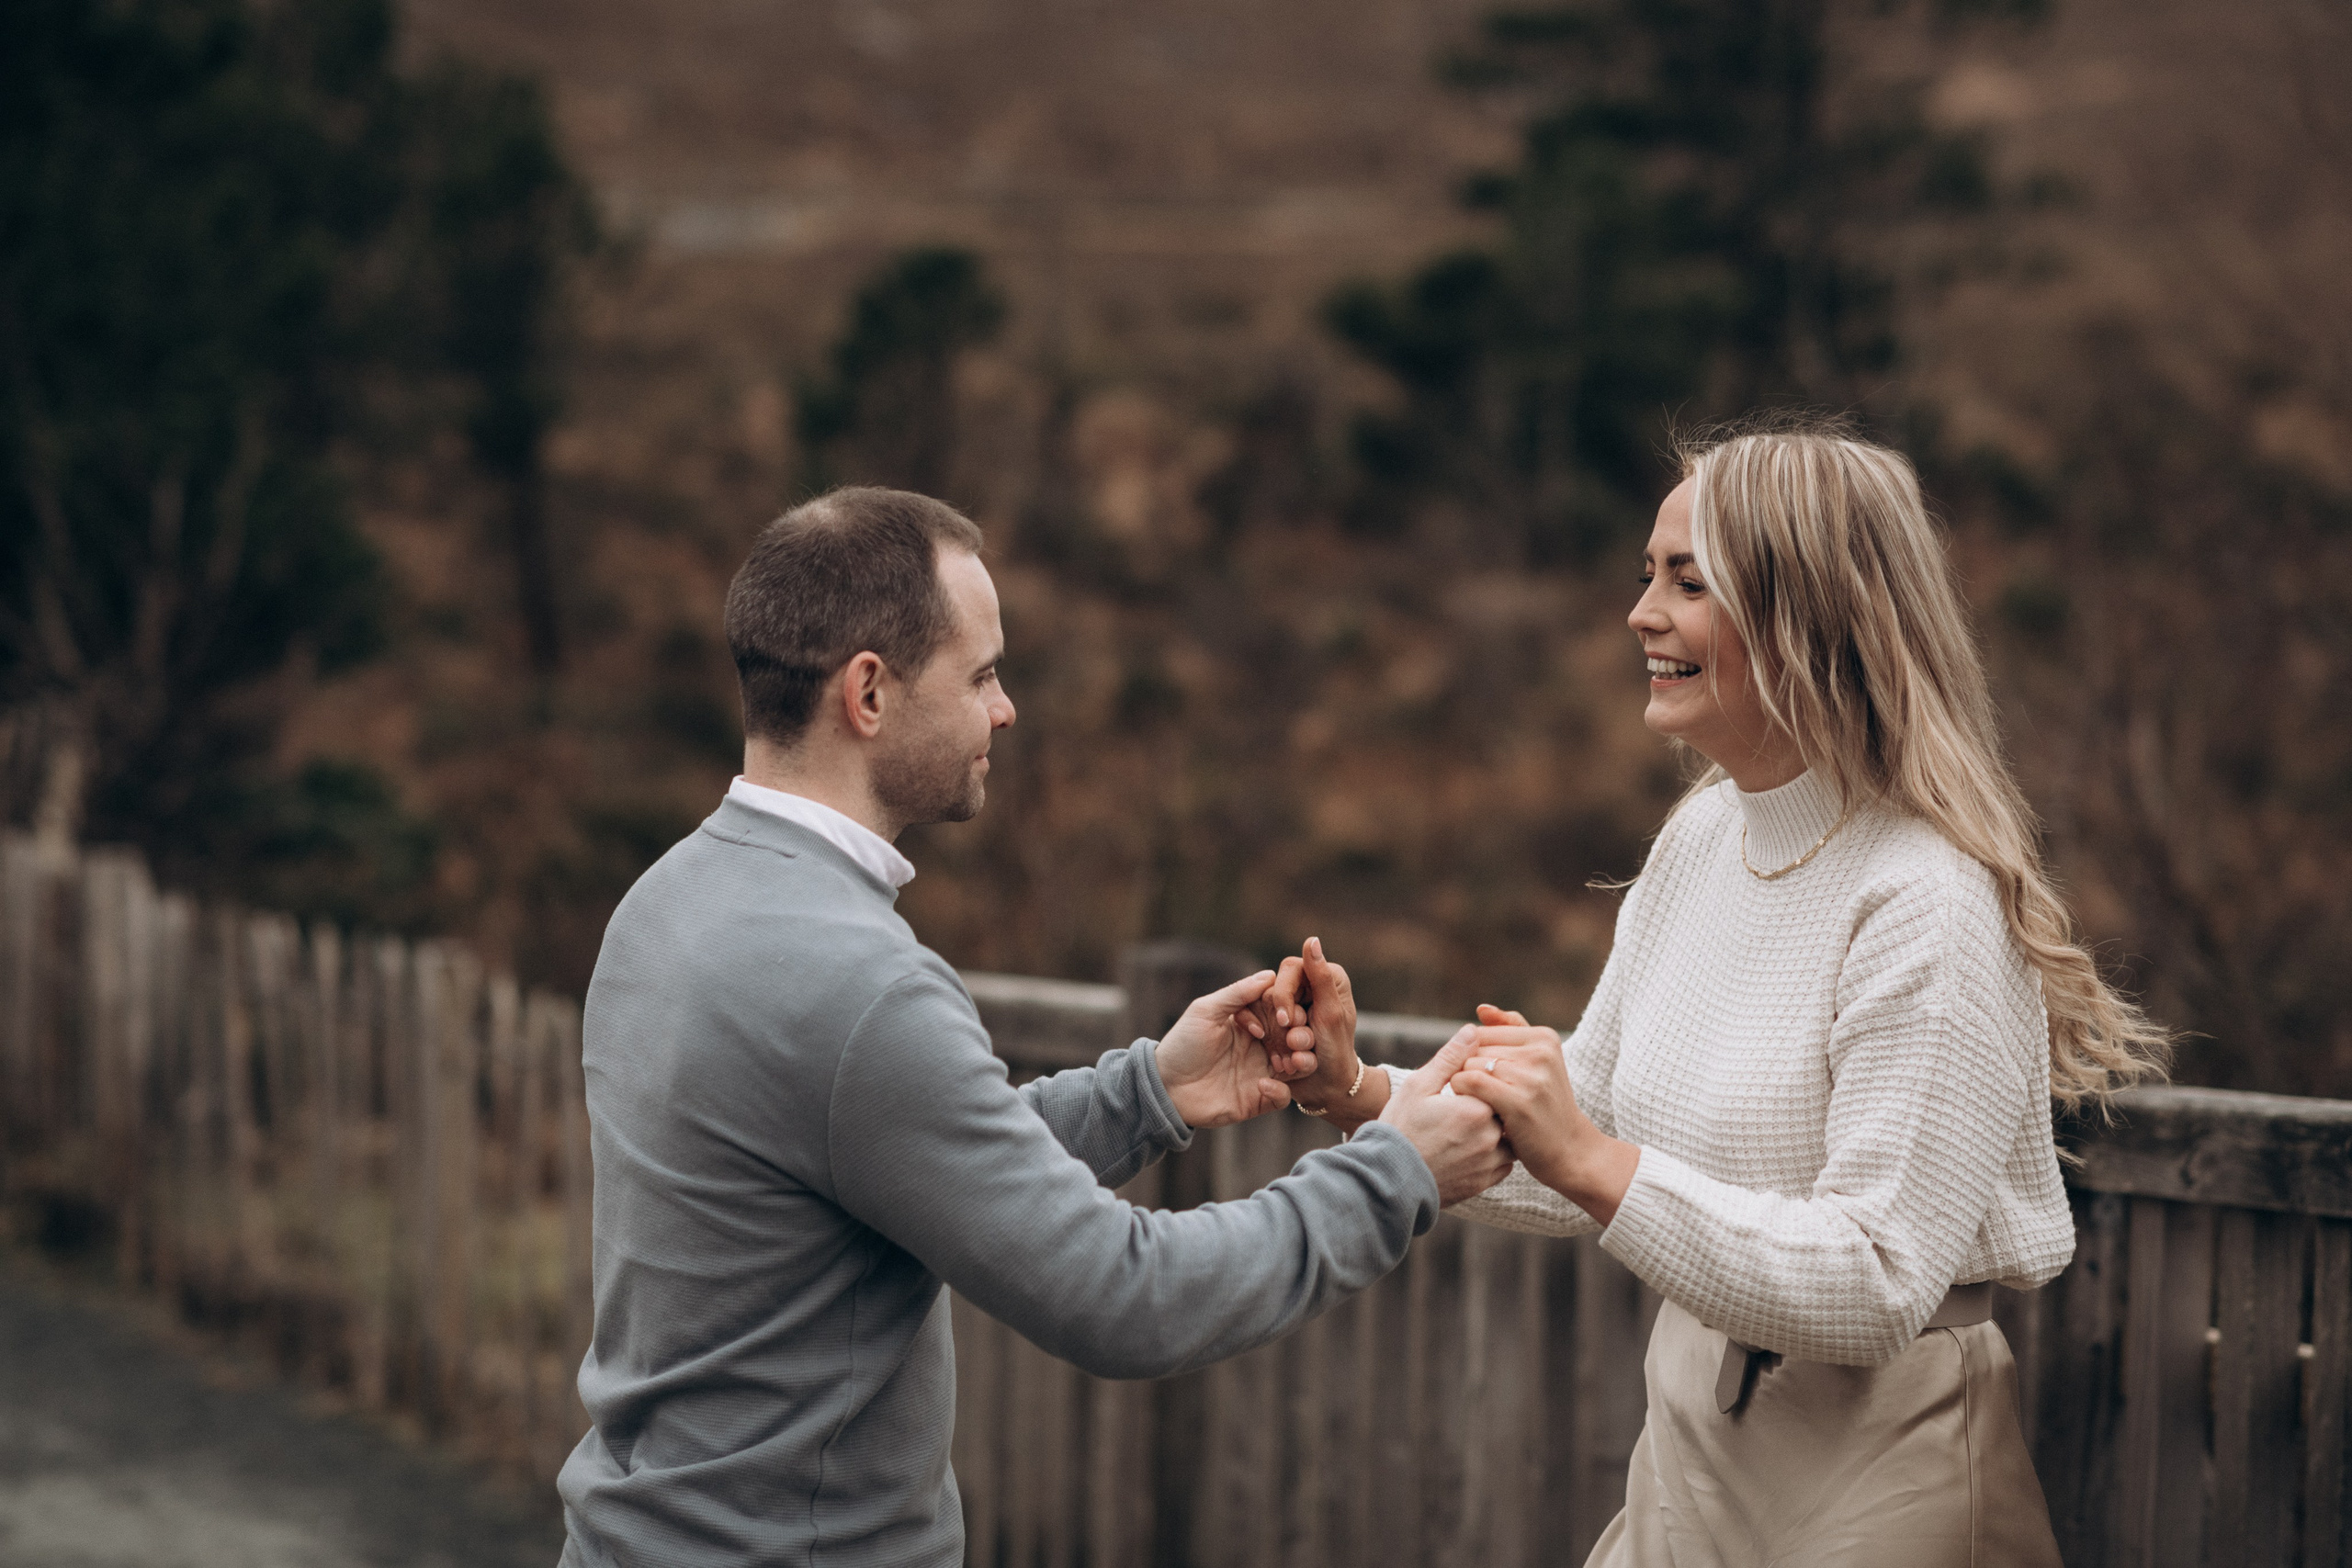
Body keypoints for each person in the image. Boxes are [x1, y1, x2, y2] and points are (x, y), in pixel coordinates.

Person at [554, 486, 1511, 1568]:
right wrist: (1397, 1169)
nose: (1005, 710)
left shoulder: (669, 901)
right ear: (868, 692)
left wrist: (1149, 1092)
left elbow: (886, 1150)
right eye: (982, 674)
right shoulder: (861, 986)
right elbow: (1128, 1298)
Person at [1276, 420, 2169, 1565]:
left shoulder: (1929, 905)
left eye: (1687, 583)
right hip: (1688, 1459)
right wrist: (1359, 1091)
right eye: (1648, 575)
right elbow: (1576, 1147)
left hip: (1877, 1476)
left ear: (1804, 612)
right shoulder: (1703, 837)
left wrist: (1592, 1159)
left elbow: (1880, 1277)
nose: (1640, 613)